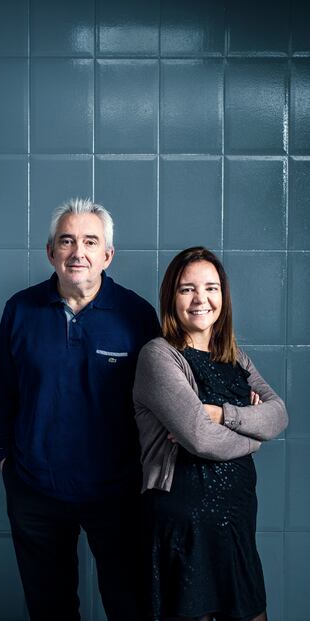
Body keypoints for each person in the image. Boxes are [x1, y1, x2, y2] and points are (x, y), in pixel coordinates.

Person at [0, 198, 160, 621]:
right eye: (66, 241)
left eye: (89, 241)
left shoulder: (136, 315)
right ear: (51, 252)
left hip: (118, 490)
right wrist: (5, 458)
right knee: (51, 610)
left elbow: (166, 393)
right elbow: (3, 393)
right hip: (36, 490)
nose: (77, 252)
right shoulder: (20, 310)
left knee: (131, 605)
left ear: (108, 255)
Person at [133, 246, 288, 621]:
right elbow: (200, 439)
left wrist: (222, 413)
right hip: (186, 525)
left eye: (211, 288)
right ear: (172, 296)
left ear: (223, 295)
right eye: (187, 289)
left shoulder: (235, 357)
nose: (201, 299)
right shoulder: (159, 356)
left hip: (236, 521)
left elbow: (279, 414)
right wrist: (254, 433)